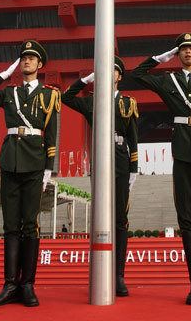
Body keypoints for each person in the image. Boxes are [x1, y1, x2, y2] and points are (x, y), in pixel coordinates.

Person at [132, 33, 191, 305]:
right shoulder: (168, 80)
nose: (187, 52)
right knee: (187, 220)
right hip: (183, 153)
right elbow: (138, 75)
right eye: (182, 49)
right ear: (178, 54)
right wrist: (161, 57)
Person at [0, 39, 60, 308]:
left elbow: (53, 133)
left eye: (31, 58)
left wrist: (50, 168)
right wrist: (5, 72)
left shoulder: (50, 95)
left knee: (29, 224)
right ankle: (10, 283)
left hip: (35, 162)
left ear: (40, 64)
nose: (26, 61)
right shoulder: (8, 92)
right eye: (23, 58)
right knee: (10, 224)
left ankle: (27, 285)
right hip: (10, 161)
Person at [61, 56, 138, 297]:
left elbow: (134, 137)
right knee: (100, 216)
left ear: (120, 76)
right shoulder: (91, 102)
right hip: (100, 157)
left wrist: (134, 168)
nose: (110, 72)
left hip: (120, 158)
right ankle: (100, 272)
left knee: (120, 218)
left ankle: (118, 276)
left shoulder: (128, 102)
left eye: (114, 70)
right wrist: (87, 79)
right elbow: (66, 98)